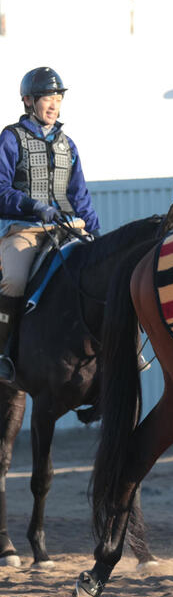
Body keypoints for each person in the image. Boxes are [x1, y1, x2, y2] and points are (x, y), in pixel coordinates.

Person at [0, 67, 100, 381]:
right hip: (25, 229)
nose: (54, 104)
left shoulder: (68, 144)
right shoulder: (10, 138)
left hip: (70, 228)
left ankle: (118, 350)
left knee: (105, 271)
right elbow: (0, 189)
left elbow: (79, 195)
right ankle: (4, 351)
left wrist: (96, 233)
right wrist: (33, 206)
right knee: (13, 280)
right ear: (29, 100)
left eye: (58, 97)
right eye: (47, 97)